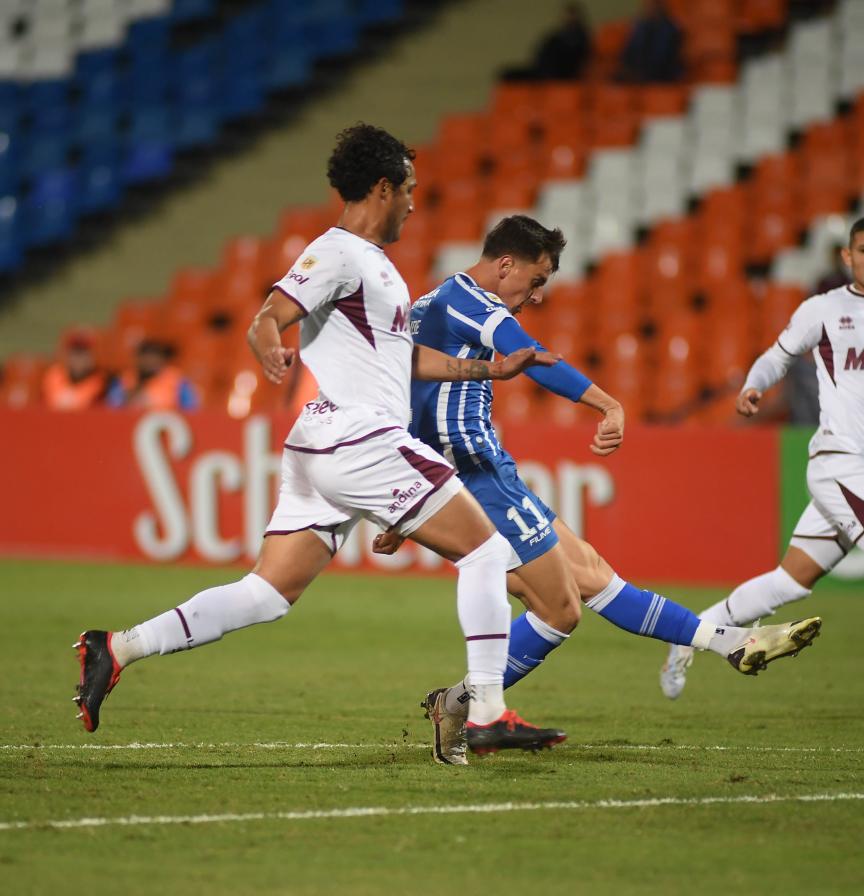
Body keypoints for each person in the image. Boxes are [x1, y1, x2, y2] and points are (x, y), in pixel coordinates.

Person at [74, 123, 568, 757]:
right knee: (486, 552)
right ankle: (485, 713)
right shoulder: (336, 252)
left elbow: (401, 359)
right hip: (358, 436)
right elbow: (270, 314)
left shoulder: (376, 268)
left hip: (326, 446)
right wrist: (268, 347)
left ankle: (116, 648)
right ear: (382, 188)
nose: (416, 203)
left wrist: (485, 369)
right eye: (409, 190)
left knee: (267, 592)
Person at [383, 214, 822, 766]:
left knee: (576, 590)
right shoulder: (470, 301)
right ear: (505, 265)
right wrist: (608, 404)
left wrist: (405, 500)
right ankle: (469, 707)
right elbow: (534, 359)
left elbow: (398, 400)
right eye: (536, 281)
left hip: (473, 474)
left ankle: (460, 704)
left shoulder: (431, 303)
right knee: (573, 596)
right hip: (477, 474)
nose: (537, 296)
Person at [659, 216, 864, 727]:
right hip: (837, 460)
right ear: (847, 259)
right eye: (863, 250)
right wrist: (754, 386)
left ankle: (694, 632)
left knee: (792, 580)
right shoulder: (825, 311)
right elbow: (777, 355)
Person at [106, 338, 198, 411]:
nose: (150, 362)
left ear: (162, 359)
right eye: (146, 356)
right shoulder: (123, 380)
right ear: (138, 358)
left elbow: (191, 409)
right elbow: (112, 407)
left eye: (154, 357)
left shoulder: (177, 381)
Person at [42, 328, 113, 410]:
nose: (78, 358)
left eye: (84, 352)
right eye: (75, 351)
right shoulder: (54, 375)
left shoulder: (105, 382)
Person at [618, 0, 683, 84]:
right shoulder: (641, 27)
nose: (648, 7)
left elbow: (663, 58)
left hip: (661, 76)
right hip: (638, 72)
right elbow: (629, 53)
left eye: (652, 4)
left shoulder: (669, 29)